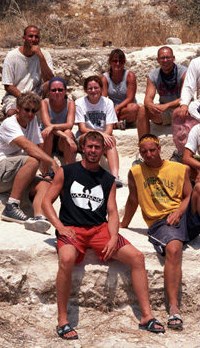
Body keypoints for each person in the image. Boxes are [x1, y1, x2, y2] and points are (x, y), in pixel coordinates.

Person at [41, 131, 165, 340]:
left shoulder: (107, 179)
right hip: (72, 228)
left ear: (103, 151)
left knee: (137, 257)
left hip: (99, 229)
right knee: (67, 258)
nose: (93, 151)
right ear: (83, 147)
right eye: (89, 146)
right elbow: (46, 202)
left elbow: (113, 212)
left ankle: (146, 316)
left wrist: (114, 236)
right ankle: (63, 320)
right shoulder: (66, 171)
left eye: (97, 148)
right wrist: (60, 227)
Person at [120, 134, 200, 330]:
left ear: (159, 149)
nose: (149, 154)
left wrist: (179, 212)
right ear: (140, 154)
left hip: (182, 216)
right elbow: (133, 199)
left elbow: (189, 195)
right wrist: (124, 224)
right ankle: (173, 307)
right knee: (174, 249)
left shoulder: (179, 168)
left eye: (152, 150)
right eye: (144, 152)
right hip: (160, 222)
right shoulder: (136, 172)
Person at [0, 92, 60, 233]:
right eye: (27, 109)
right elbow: (27, 147)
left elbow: (38, 144)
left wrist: (46, 172)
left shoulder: (32, 121)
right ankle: (12, 206)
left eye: (34, 111)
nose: (30, 114)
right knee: (33, 160)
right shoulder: (9, 123)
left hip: (12, 175)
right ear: (17, 108)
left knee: (44, 185)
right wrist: (51, 162)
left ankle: (39, 218)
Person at [75, 75, 122, 187]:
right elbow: (82, 128)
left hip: (104, 136)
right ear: (86, 90)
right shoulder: (79, 103)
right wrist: (100, 134)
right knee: (94, 141)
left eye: (96, 88)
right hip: (85, 135)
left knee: (111, 142)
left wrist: (103, 136)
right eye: (90, 88)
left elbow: (109, 128)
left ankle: (115, 177)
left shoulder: (108, 103)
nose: (93, 91)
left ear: (101, 88)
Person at [1, 25, 54, 117]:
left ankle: (46, 116)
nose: (33, 39)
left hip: (35, 93)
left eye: (36, 37)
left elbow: (50, 79)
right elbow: (8, 85)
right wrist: (24, 98)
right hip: (17, 94)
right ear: (24, 38)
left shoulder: (45, 55)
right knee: (11, 113)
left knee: (50, 85)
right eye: (30, 36)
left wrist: (40, 56)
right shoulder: (12, 56)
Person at [137, 46, 187, 140]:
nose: (165, 60)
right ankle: (143, 143)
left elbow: (185, 98)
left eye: (168, 57)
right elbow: (147, 99)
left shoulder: (183, 72)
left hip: (181, 110)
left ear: (173, 58)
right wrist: (151, 106)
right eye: (162, 58)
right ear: (157, 60)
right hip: (164, 112)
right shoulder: (153, 76)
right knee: (143, 110)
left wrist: (166, 106)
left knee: (182, 109)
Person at [40, 77, 76, 176]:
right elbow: (47, 125)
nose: (57, 92)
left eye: (60, 90)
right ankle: (45, 170)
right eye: (54, 90)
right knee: (48, 133)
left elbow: (69, 124)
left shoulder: (70, 103)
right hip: (47, 138)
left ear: (65, 91)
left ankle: (70, 171)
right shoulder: (44, 103)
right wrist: (66, 137)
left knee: (68, 132)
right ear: (49, 92)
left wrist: (53, 126)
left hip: (61, 141)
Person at [101, 49, 139, 129]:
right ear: (110, 62)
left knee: (134, 109)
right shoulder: (105, 78)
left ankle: (113, 122)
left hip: (126, 107)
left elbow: (130, 98)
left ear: (124, 63)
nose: (117, 64)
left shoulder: (130, 76)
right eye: (115, 61)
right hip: (112, 108)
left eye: (120, 61)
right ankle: (118, 122)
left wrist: (117, 109)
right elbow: (103, 98)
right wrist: (111, 110)